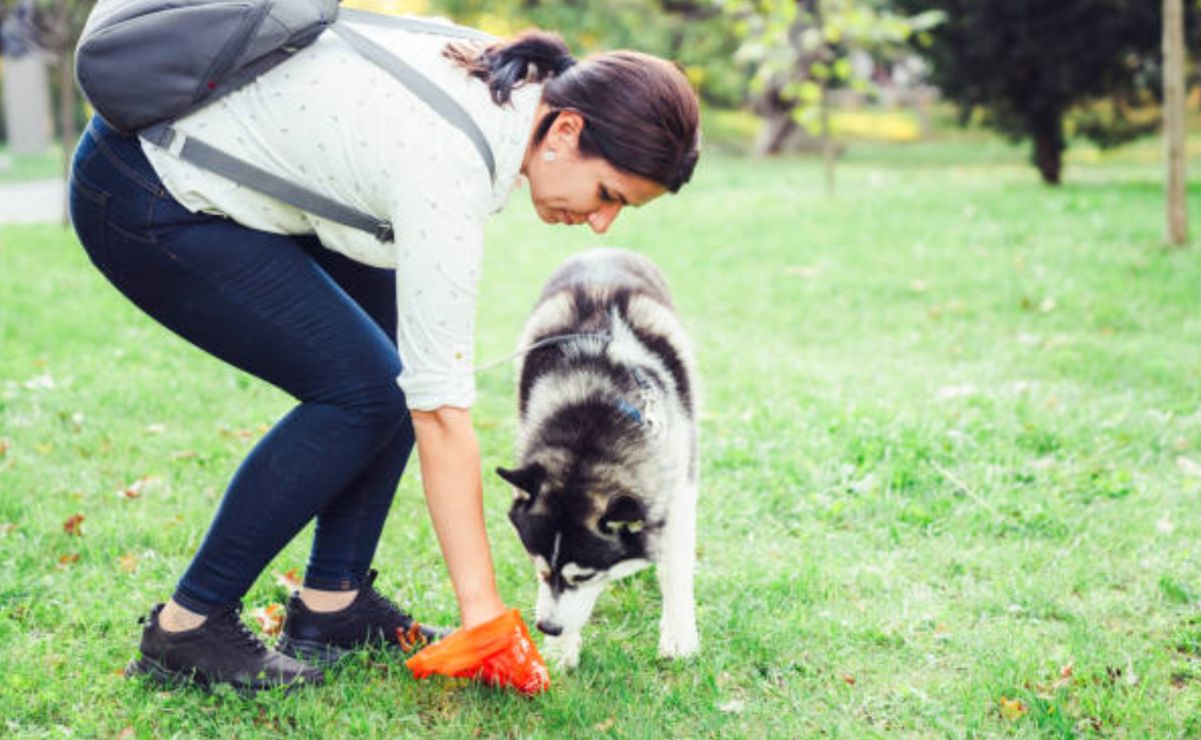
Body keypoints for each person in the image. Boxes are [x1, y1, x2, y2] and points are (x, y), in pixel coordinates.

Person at [68, 14, 699, 693]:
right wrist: (481, 612)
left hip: (247, 176)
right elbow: (441, 417)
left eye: (621, 211)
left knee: (392, 368)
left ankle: (331, 607)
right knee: (364, 394)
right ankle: (186, 629)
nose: (600, 222)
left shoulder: (513, 81)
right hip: (144, 191)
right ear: (566, 130)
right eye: (606, 193)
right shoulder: (449, 168)